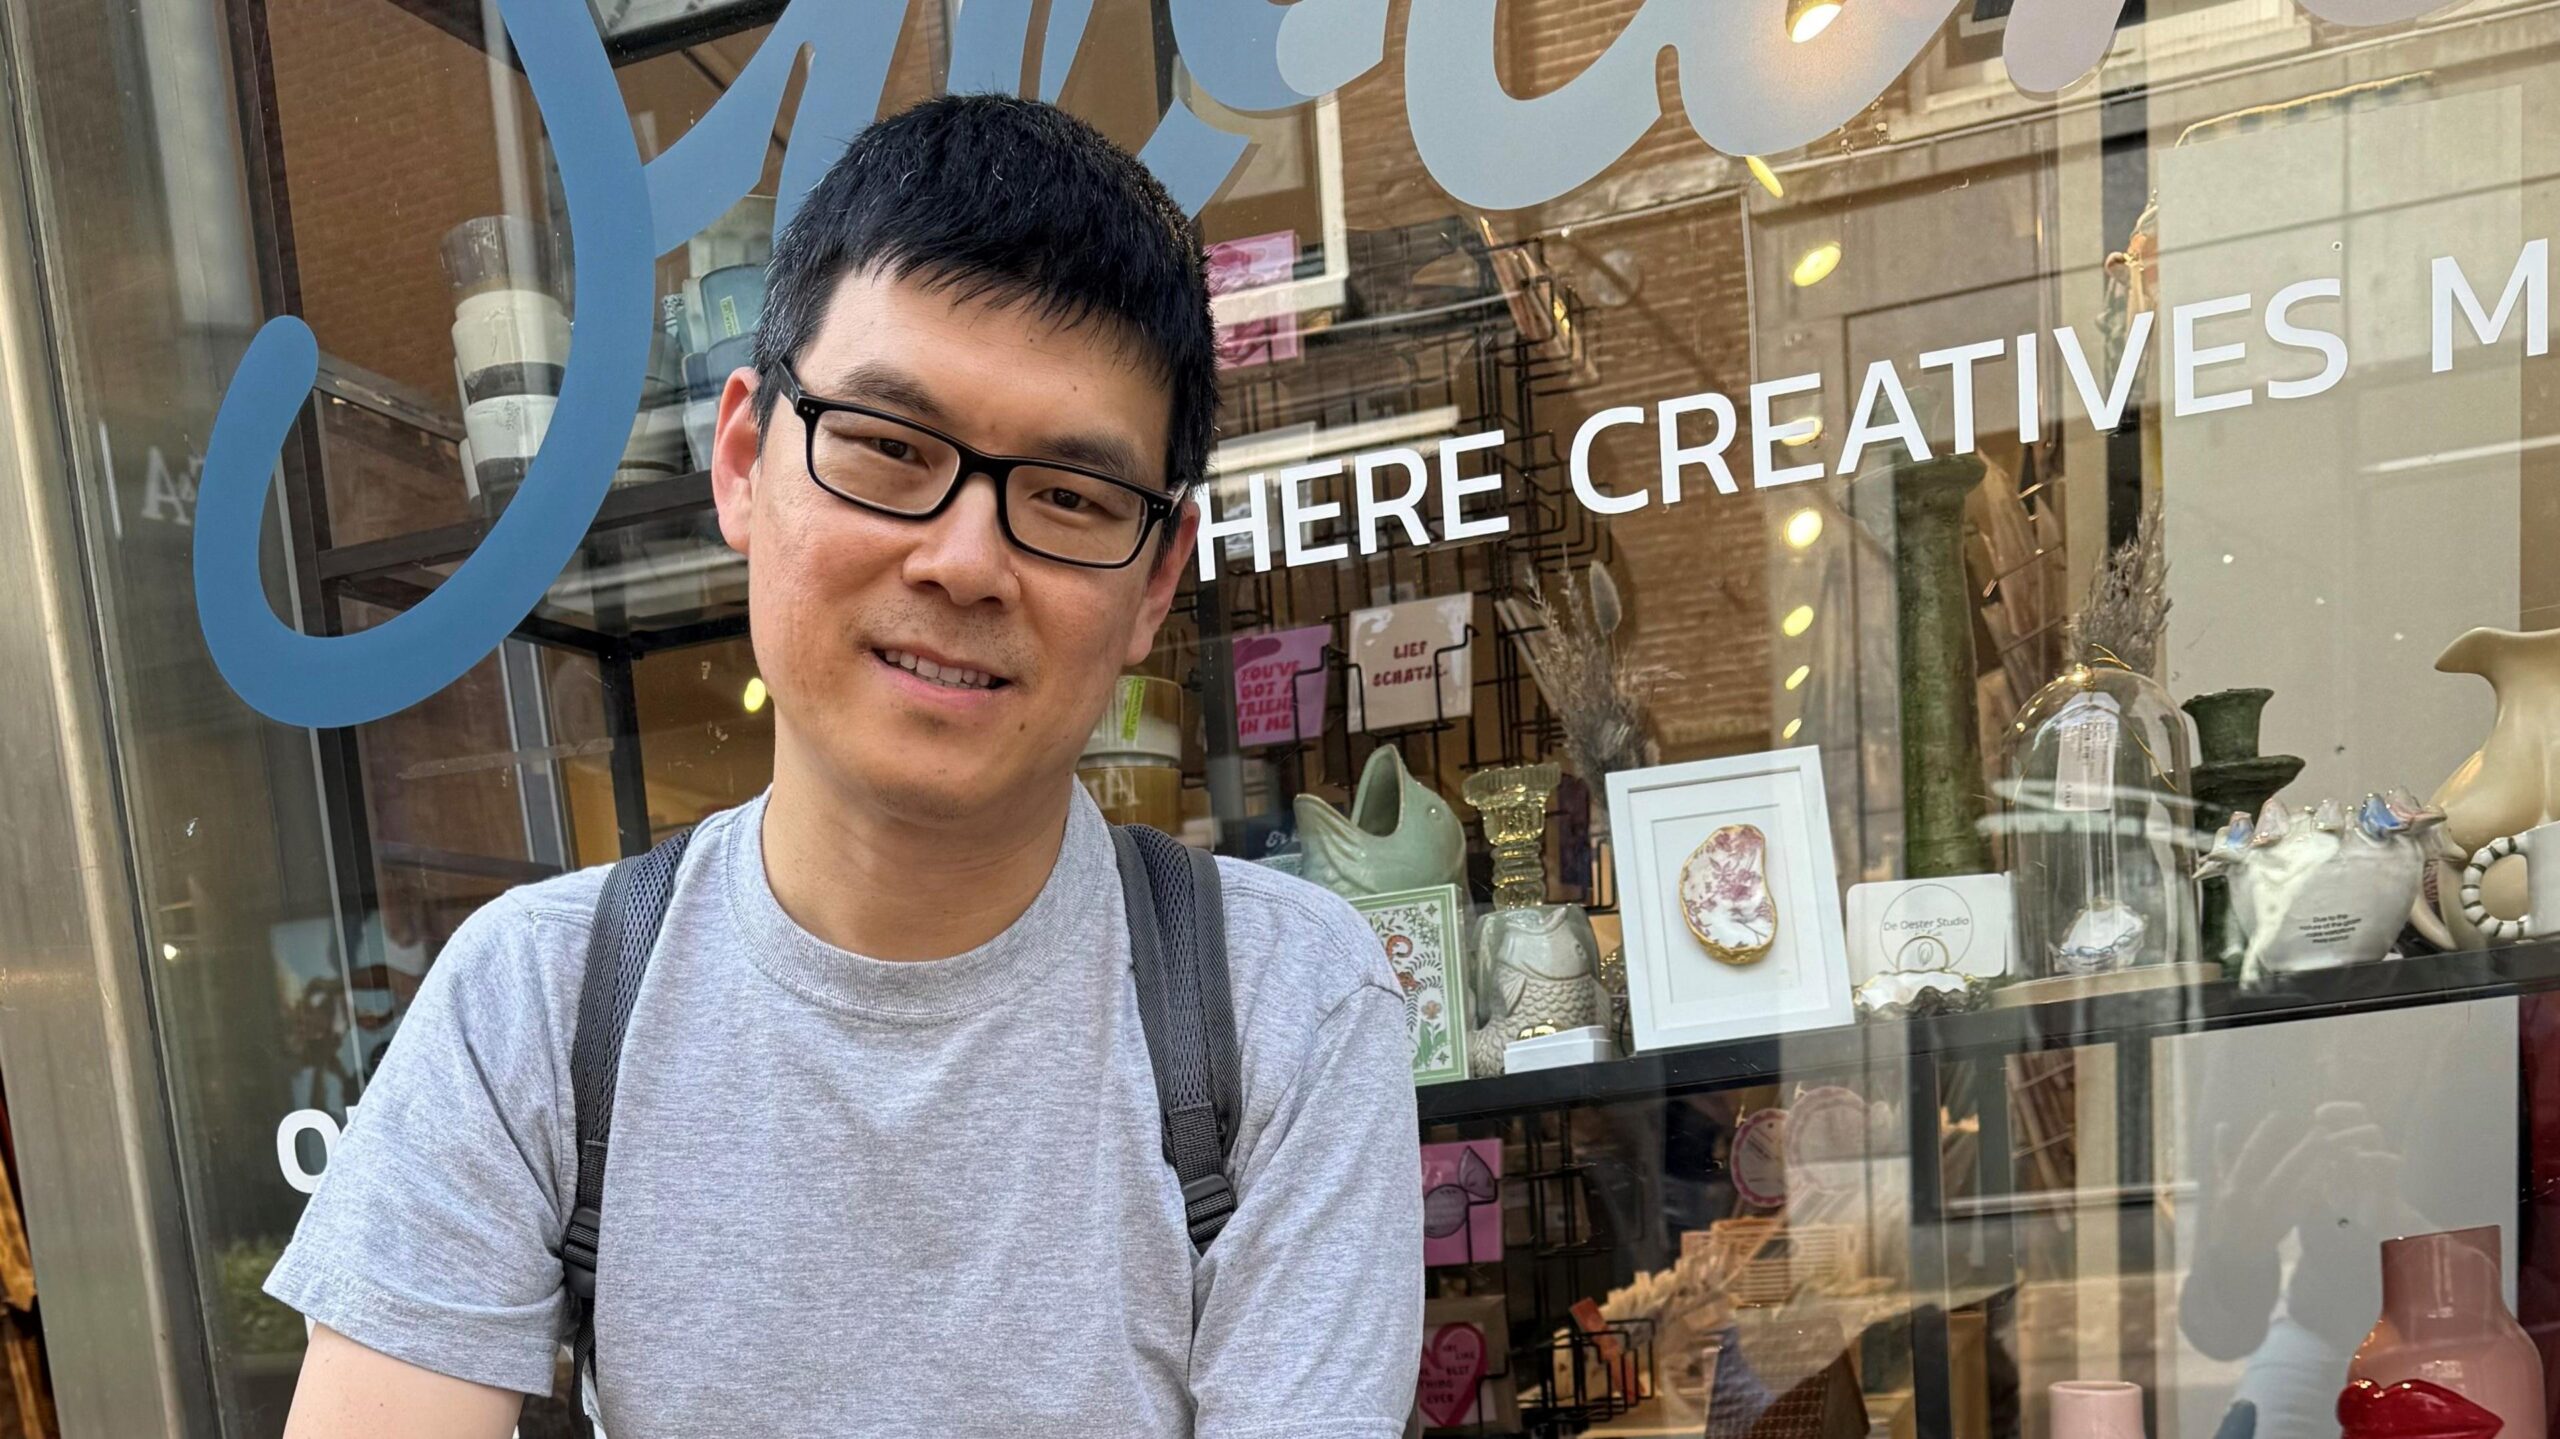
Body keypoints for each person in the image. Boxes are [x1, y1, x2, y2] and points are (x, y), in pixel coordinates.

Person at [267, 95, 1423, 1438]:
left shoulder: (1287, 1011)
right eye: (888, 449)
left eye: (1071, 497)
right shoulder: (533, 1007)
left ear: (1158, 574)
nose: (965, 560)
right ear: (747, 461)